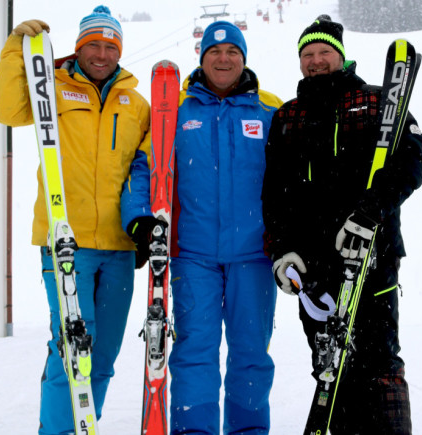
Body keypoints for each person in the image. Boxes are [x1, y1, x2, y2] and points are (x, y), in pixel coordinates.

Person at [262, 15, 422, 434]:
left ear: (340, 55)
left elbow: (411, 162)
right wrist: (282, 250)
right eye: (308, 55)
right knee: (331, 366)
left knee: (379, 363)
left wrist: (370, 213)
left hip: (372, 254)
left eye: (324, 53)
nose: (316, 61)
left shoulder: (374, 102)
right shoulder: (287, 117)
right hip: (314, 270)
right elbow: (274, 193)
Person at [0, 6, 151, 434]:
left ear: (119, 50)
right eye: (92, 45)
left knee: (103, 358)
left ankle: (84, 426)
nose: (101, 54)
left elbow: (146, 167)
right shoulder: (53, 86)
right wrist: (15, 53)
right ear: (78, 48)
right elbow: (9, 112)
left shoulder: (136, 104)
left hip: (119, 248)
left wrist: (141, 225)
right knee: (72, 350)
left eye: (110, 46)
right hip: (67, 241)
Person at [121, 21, 283, 435]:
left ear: (243, 58)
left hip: (255, 255)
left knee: (251, 355)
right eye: (214, 52)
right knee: (195, 352)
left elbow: (294, 176)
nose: (223, 58)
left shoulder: (269, 110)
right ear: (202, 58)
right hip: (193, 256)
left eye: (232, 51)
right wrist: (139, 217)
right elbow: (145, 170)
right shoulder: (173, 110)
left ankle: (248, 431)